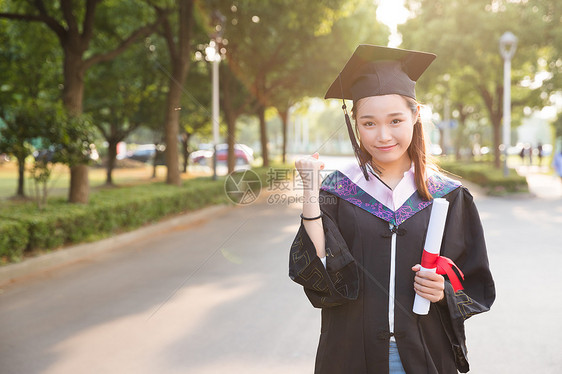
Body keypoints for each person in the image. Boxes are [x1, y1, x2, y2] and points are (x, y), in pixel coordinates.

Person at [289, 45, 495, 374]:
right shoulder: (339, 189)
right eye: (369, 123)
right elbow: (319, 270)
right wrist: (310, 193)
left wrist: (443, 292)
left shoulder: (449, 195)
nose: (383, 135)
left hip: (424, 352)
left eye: (395, 120)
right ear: (355, 123)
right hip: (349, 354)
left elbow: (472, 281)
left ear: (415, 115)